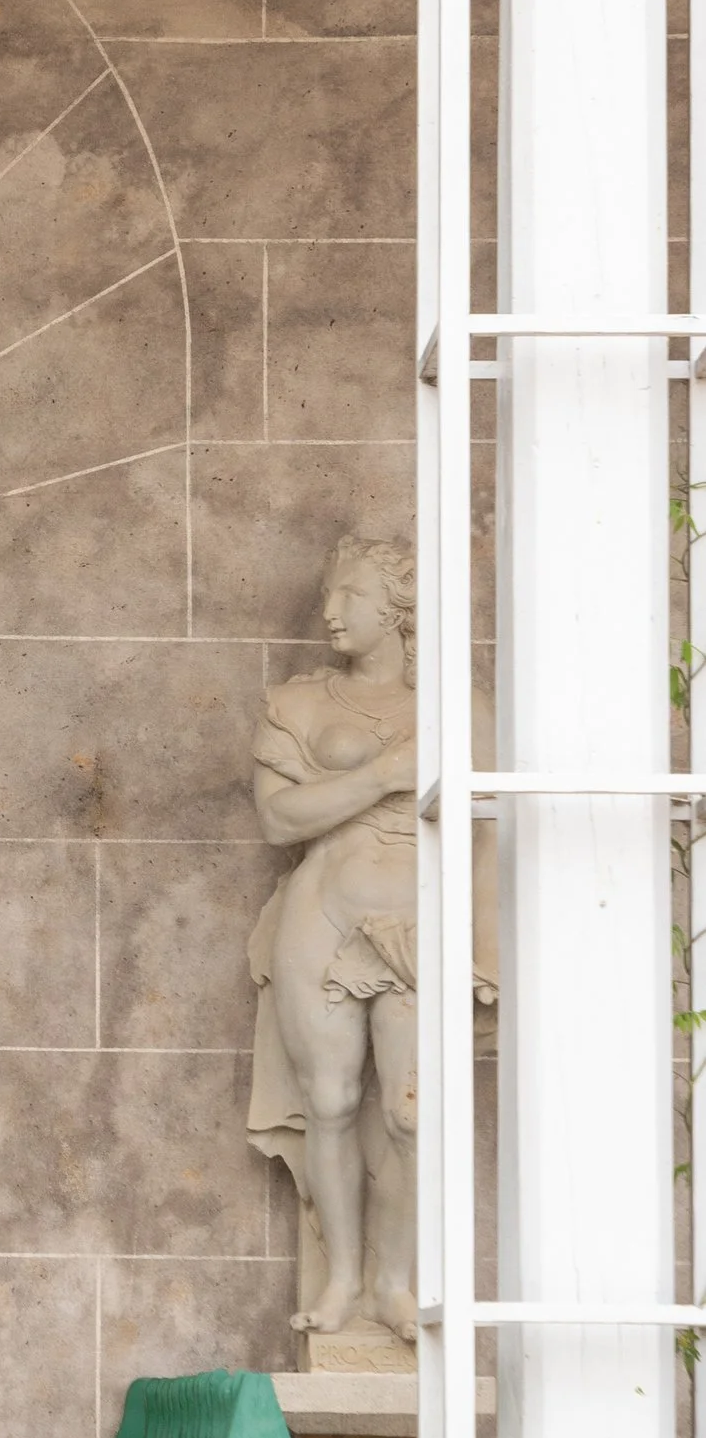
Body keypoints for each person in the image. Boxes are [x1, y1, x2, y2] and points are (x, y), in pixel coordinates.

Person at [246, 534, 426, 1347]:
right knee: (330, 1103)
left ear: (396, 607)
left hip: (414, 923)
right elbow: (280, 818)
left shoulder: (457, 708)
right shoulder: (299, 703)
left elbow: (490, 837)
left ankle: (395, 1279)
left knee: (413, 1114)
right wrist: (381, 779)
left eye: (349, 596)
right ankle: (345, 1277)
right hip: (321, 913)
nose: (329, 612)